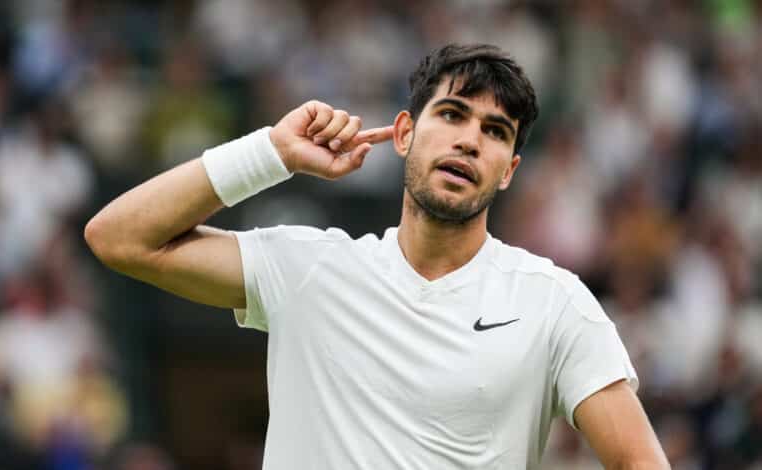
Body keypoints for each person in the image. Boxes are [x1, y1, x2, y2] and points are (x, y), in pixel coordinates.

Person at [85, 44, 670, 469]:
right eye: (452, 114)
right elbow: (119, 238)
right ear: (404, 133)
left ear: (509, 170)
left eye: (496, 131)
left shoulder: (553, 302)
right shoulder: (309, 268)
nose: (470, 139)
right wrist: (272, 152)